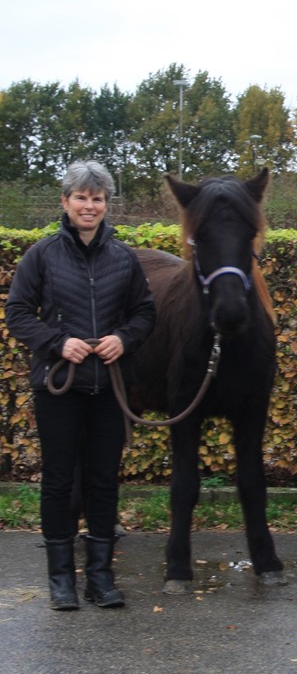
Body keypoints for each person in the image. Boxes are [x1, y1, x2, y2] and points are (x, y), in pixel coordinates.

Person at [5, 160, 156, 611]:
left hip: (109, 386)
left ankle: (100, 578)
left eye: (97, 198)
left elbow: (144, 313)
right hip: (59, 388)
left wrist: (122, 339)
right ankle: (60, 580)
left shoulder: (123, 257)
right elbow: (17, 313)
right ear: (65, 202)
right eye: (81, 198)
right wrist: (57, 342)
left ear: (106, 205)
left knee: (104, 481)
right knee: (56, 480)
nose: (89, 206)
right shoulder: (42, 254)